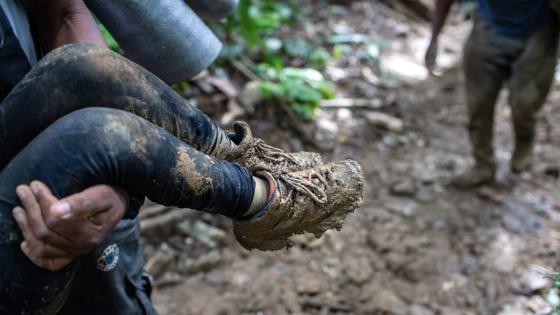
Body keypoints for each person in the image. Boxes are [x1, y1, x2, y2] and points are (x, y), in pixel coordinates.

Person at [0, 1, 363, 314]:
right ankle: (257, 198)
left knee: (84, 69)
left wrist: (118, 187)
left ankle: (244, 160)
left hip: (54, 178)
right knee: (92, 139)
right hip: (26, 226)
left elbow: (66, 13)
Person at [426, 0, 559, 187]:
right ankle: (483, 164)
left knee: (525, 103)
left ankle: (524, 140)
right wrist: (434, 38)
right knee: (478, 103)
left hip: (539, 32)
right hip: (489, 27)